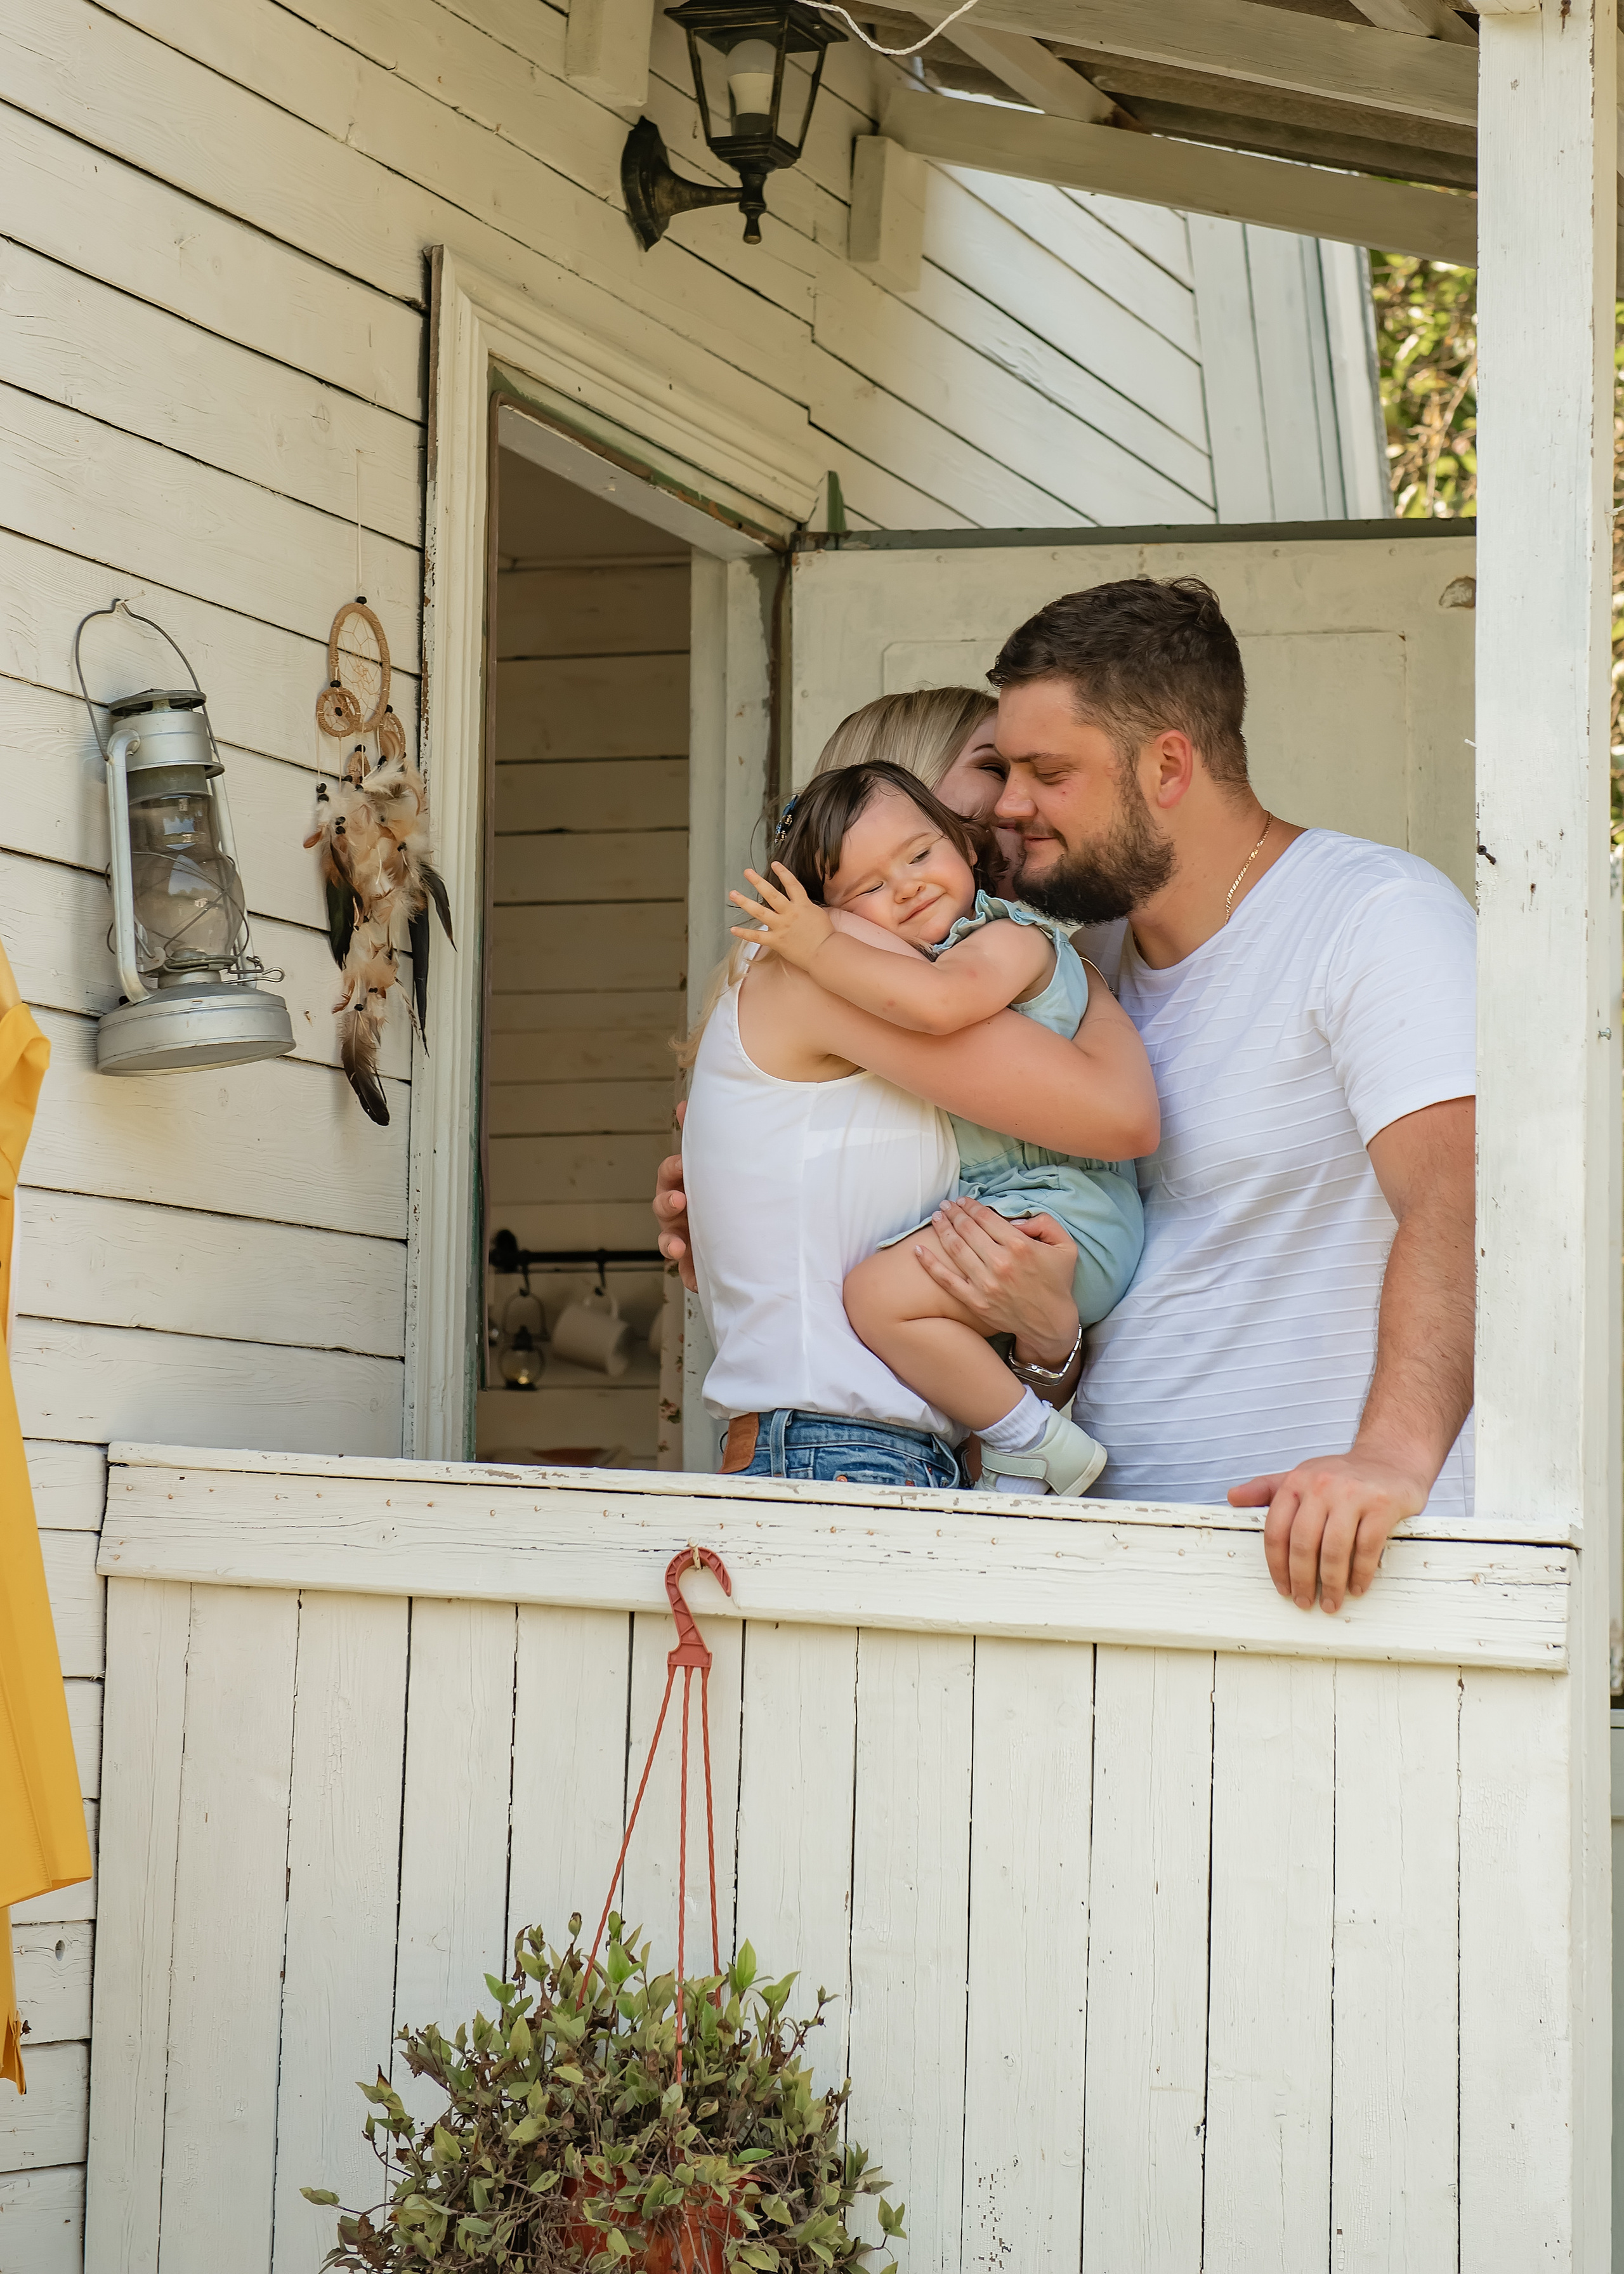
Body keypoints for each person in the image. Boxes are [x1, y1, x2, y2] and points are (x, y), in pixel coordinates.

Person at [657, 577, 1476, 1618]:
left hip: (1327, 1556)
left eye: (1041, 773)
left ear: (1167, 763)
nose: (1006, 811)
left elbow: (1460, 1198)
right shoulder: (1089, 969)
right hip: (1099, 1559)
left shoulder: (1373, 918)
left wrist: (1392, 1458)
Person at [672, 715, 1157, 1493]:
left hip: (888, 1446)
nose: (1011, 802)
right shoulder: (828, 959)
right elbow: (1115, 1112)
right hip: (833, 1444)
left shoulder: (982, 958)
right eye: (996, 765)